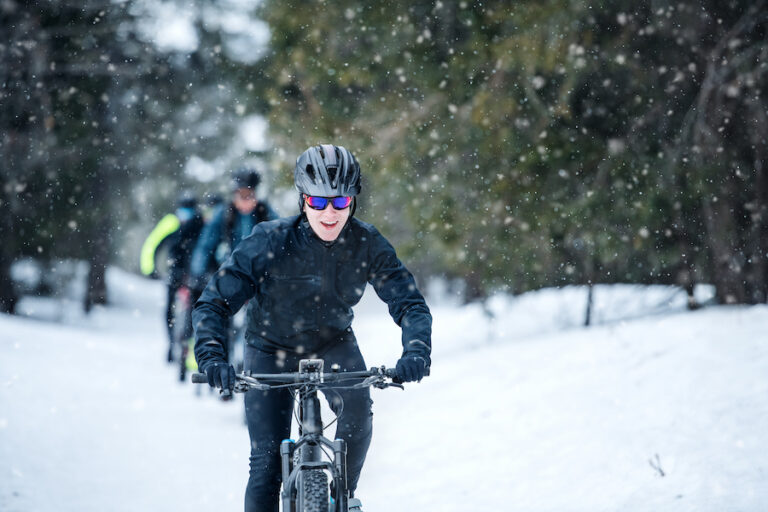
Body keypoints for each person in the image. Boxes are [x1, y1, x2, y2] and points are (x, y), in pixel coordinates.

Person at [192, 144, 432, 512]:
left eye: (340, 202)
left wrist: (415, 351)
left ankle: (343, 497)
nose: (330, 213)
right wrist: (211, 358)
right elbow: (215, 302)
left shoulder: (366, 242)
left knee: (358, 407)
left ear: (353, 201)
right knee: (266, 466)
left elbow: (409, 302)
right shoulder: (269, 240)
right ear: (303, 200)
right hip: (269, 346)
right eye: (318, 202)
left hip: (332, 342)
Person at [188, 168, 279, 363]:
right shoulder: (224, 214)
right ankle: (224, 365)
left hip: (258, 276)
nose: (245, 201)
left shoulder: (266, 213)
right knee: (223, 320)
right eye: (241, 195)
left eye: (250, 195)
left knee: (260, 320)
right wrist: (198, 272)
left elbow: (282, 241)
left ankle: (255, 361)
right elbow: (205, 245)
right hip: (229, 273)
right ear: (234, 195)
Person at [140, 190, 204, 362]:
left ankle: (187, 347)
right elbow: (152, 244)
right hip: (174, 271)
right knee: (169, 309)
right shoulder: (170, 222)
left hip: (194, 274)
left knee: (192, 309)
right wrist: (149, 269)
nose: (186, 213)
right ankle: (170, 343)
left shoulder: (200, 223)